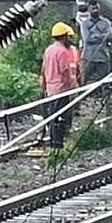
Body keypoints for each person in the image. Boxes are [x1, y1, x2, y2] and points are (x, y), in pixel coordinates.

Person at [41, 22, 85, 152]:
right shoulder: (63, 52)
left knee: (52, 115)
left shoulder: (48, 50)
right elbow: (65, 72)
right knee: (61, 117)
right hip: (61, 89)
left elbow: (43, 69)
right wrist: (72, 86)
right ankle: (58, 143)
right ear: (64, 36)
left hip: (50, 88)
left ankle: (53, 141)